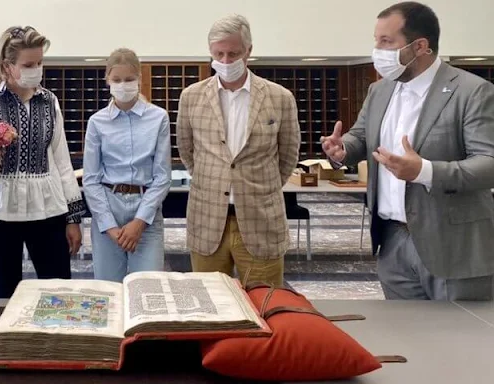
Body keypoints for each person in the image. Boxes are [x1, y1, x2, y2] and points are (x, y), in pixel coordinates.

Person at [321, 1, 494, 301]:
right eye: (376, 41)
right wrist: (342, 150)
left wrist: (424, 171)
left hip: (452, 244)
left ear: (420, 46)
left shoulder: (472, 91)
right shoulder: (380, 90)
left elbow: (488, 163)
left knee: (457, 340)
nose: (378, 50)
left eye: (386, 42)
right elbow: (361, 138)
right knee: (407, 338)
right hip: (392, 240)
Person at [0, 26, 85, 298]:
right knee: (4, 295)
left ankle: (57, 341)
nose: (36, 69)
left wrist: (73, 218)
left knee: (59, 292)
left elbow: (62, 162)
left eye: (39, 63)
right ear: (7, 66)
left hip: (48, 211)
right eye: (28, 64)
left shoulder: (50, 102)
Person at [176, 14, 300, 287]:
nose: (226, 61)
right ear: (210, 52)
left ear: (249, 52)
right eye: (219, 54)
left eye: (234, 53)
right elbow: (186, 148)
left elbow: (289, 153)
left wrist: (260, 185)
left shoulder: (280, 97)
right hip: (208, 220)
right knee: (208, 308)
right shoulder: (191, 97)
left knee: (266, 308)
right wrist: (214, 178)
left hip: (260, 220)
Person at [83, 48, 171, 282]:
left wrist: (139, 222)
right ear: (107, 81)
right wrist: (109, 226)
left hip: (146, 213)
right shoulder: (97, 122)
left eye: (130, 79)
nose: (123, 85)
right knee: (108, 289)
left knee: (148, 287)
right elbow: (90, 179)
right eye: (117, 80)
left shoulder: (159, 118)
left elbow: (162, 176)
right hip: (108, 209)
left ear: (139, 78)